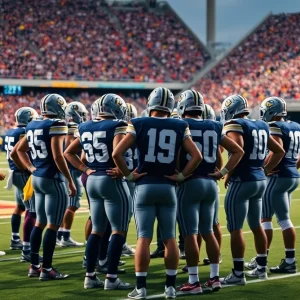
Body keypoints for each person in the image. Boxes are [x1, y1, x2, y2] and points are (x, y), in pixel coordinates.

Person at [112, 87, 202, 299]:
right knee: (170, 238)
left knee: (144, 238)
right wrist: (181, 176)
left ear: (151, 103)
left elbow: (117, 153)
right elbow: (196, 156)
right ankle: (170, 288)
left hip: (144, 186)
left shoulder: (138, 123)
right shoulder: (181, 125)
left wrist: (129, 175)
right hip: (168, 187)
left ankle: (141, 288)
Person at [176, 90, 244, 294]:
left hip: (190, 182)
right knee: (208, 231)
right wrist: (223, 172)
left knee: (190, 234)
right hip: (210, 183)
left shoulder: (181, 125)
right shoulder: (215, 125)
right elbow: (237, 151)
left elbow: (178, 155)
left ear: (182, 106)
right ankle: (214, 278)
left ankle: (194, 281)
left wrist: (180, 174)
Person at [64, 94, 132, 290]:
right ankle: (111, 278)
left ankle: (90, 276)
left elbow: (68, 152)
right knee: (119, 229)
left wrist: (84, 169)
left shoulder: (84, 126)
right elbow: (116, 152)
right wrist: (124, 172)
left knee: (97, 229)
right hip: (110, 178)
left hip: (92, 179)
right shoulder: (117, 125)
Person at [220, 94, 285, 285]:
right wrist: (264, 169)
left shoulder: (234, 125)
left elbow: (237, 150)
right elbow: (279, 151)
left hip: (243, 181)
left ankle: (238, 274)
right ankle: (261, 268)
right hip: (259, 180)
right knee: (256, 225)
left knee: (235, 229)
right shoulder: (262, 125)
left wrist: (227, 172)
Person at [16, 94, 76, 280]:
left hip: (37, 178)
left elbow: (18, 150)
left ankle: (34, 266)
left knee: (40, 222)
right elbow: (58, 156)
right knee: (52, 225)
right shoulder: (56, 124)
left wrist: (32, 167)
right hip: (52, 178)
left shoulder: (33, 124)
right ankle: (47, 269)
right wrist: (70, 180)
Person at [245, 97, 299, 274]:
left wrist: (266, 169)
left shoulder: (275, 127)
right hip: (292, 176)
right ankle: (289, 260)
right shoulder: (295, 126)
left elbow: (278, 150)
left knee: (266, 219)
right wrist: (292, 167)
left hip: (278, 177)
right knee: (284, 219)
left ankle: (262, 259)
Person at [5, 107, 39, 258]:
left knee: (20, 207)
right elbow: (17, 153)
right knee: (32, 210)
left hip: (14, 173)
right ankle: (27, 247)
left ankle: (15, 238)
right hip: (22, 173)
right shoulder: (22, 132)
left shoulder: (10, 131)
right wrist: (26, 168)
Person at [57, 102, 88, 247]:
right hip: (73, 169)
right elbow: (70, 145)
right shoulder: (73, 128)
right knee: (73, 205)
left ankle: (60, 234)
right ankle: (65, 235)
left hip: (65, 169)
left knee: (67, 205)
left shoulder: (63, 126)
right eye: (82, 114)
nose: (84, 117)